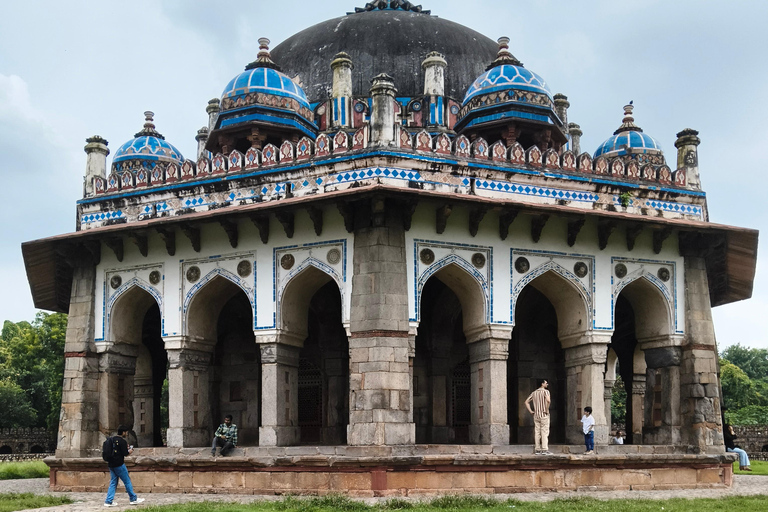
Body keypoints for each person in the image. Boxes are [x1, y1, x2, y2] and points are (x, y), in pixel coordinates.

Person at [104, 425, 145, 507]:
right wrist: (130, 450)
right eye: (126, 432)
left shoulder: (111, 439)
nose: (126, 434)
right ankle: (133, 499)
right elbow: (126, 454)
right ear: (123, 432)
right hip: (119, 464)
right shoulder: (122, 441)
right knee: (127, 481)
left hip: (111, 464)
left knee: (113, 482)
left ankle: (108, 501)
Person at [525, 379, 551, 455]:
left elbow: (526, 402)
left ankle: (537, 449)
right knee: (544, 432)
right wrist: (546, 409)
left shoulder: (534, 393)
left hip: (536, 415)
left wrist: (531, 411)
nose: (547, 384)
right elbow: (548, 401)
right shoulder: (546, 392)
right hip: (544, 415)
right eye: (546, 383)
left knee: (537, 432)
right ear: (542, 384)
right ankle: (545, 449)